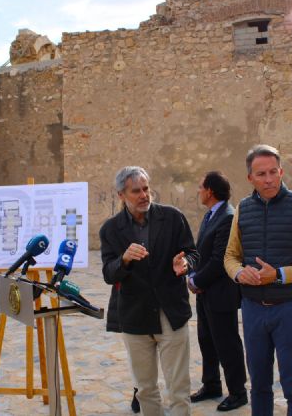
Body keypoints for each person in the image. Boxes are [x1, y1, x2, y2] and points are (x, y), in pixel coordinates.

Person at [100, 166, 199, 416]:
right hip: (135, 316)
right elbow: (108, 274)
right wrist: (124, 260)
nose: (144, 195)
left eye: (146, 188)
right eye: (136, 191)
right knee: (145, 389)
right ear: (122, 195)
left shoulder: (173, 217)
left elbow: (193, 253)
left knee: (179, 388)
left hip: (170, 312)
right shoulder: (110, 230)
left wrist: (185, 264)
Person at [224, 145, 292, 416]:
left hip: (290, 309)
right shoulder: (243, 209)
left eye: (273, 172)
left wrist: (280, 274)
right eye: (261, 174)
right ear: (250, 177)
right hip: (253, 309)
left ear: (281, 171)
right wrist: (240, 273)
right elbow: (230, 256)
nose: (269, 179)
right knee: (259, 385)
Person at [188, 171, 248, 412]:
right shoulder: (211, 215)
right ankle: (211, 384)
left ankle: (238, 392)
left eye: (200, 186)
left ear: (210, 190)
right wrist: (192, 273)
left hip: (221, 293)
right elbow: (202, 253)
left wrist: (196, 281)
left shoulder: (227, 217)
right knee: (207, 340)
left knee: (227, 343)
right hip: (206, 293)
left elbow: (220, 259)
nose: (198, 191)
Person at [105, 285, 140, 413]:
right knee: (134, 352)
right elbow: (110, 271)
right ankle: (138, 388)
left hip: (161, 297)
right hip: (129, 298)